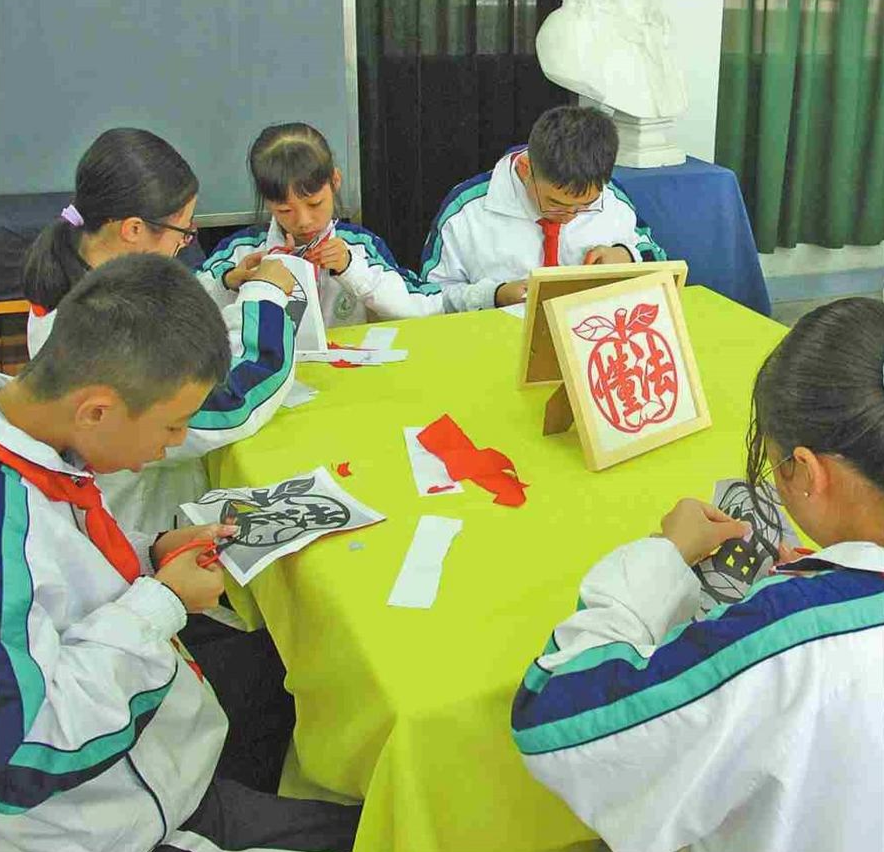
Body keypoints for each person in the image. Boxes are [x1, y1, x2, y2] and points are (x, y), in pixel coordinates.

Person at [0, 254, 360, 852]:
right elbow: (29, 753)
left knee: (302, 678)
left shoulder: (38, 432)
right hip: (114, 823)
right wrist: (163, 601)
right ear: (97, 410)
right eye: (173, 427)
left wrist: (151, 553)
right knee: (391, 832)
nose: (174, 445)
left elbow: (61, 573)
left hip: (164, 756)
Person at [511, 297, 884, 852]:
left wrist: (662, 559)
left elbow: (552, 723)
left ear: (807, 471)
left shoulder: (790, 643)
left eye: (776, 464)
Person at [22, 128, 298, 535]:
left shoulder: (79, 271)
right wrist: (267, 296)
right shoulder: (103, 333)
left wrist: (224, 284)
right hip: (139, 525)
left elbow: (159, 311)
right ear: (133, 229)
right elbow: (228, 404)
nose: (185, 244)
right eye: (183, 232)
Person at [199, 122, 472, 322]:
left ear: (335, 181)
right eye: (285, 210)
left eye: (314, 204)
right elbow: (186, 309)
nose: (304, 221)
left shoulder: (360, 246)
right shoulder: (241, 251)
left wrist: (351, 269)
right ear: (268, 203)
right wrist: (228, 283)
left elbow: (419, 306)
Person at [420, 105, 667, 310]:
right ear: (525, 169)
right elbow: (430, 298)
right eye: (555, 203)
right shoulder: (465, 211)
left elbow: (655, 254)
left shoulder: (613, 198)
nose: (569, 217)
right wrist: (494, 296)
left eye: (586, 205)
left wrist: (625, 255)